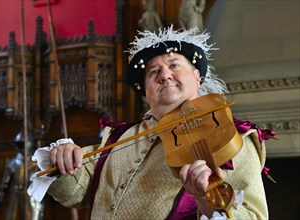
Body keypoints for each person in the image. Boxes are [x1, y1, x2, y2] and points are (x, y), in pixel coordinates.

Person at [28, 26, 274, 219]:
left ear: (197, 76)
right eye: (153, 72)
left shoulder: (231, 136)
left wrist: (206, 203)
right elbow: (75, 192)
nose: (164, 75)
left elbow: (254, 217)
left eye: (174, 65)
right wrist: (62, 158)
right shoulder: (119, 138)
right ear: (145, 89)